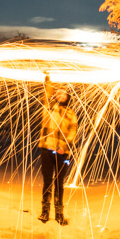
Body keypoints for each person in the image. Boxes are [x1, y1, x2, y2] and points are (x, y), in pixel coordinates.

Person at [38, 72, 77, 225]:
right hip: (47, 149)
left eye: (63, 93)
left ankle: (59, 213)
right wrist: (48, 79)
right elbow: (47, 93)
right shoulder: (49, 107)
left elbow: (73, 131)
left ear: (67, 97)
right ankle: (45, 212)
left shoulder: (71, 113)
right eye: (58, 93)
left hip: (63, 153)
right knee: (47, 181)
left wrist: (64, 145)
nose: (60, 95)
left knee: (59, 182)